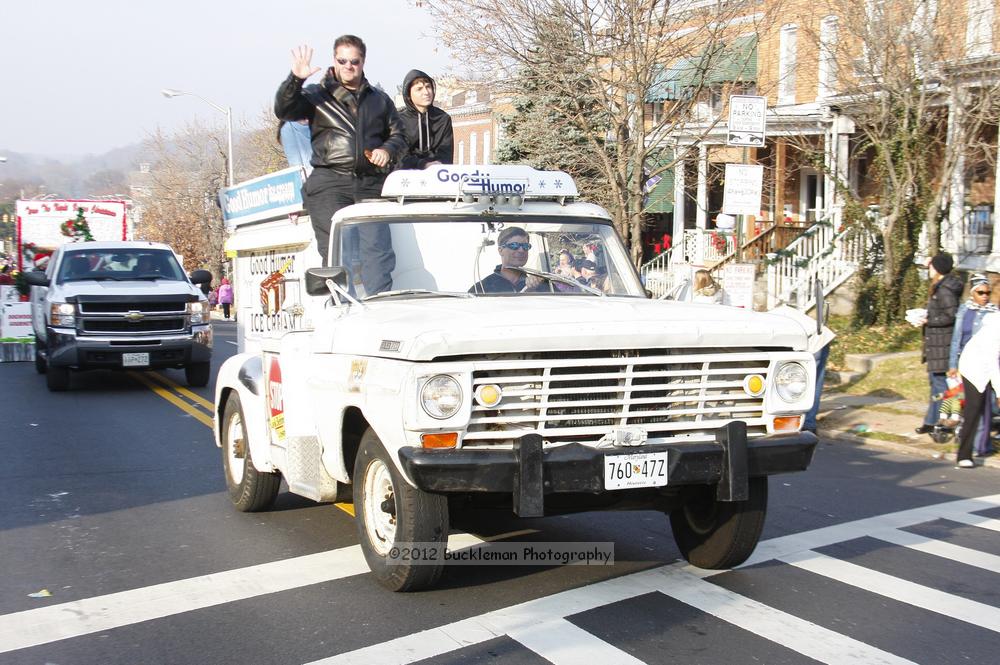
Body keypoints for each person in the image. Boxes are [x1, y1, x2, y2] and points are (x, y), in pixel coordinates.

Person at [275, 36, 407, 295]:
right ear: (334, 61)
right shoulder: (316, 95)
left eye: (354, 61)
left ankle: (379, 306)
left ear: (363, 62)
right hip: (330, 180)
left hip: (370, 182)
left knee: (378, 250)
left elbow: (399, 135)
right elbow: (284, 110)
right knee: (337, 249)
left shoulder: (379, 99)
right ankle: (342, 305)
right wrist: (295, 79)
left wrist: (387, 150)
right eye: (342, 60)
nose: (348, 66)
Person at [948, 273, 997, 453]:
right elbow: (956, 339)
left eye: (987, 293)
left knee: (985, 406)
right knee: (967, 405)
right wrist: (952, 364)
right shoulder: (964, 312)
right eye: (981, 292)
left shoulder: (994, 313)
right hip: (966, 364)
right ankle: (967, 442)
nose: (985, 296)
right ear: (973, 293)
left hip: (986, 364)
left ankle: (981, 445)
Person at [769, 304, 836, 434]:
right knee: (815, 384)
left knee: (796, 385)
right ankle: (809, 423)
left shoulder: (770, 322)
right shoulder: (783, 314)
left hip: (809, 342)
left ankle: (803, 422)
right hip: (822, 338)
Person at [916, 253, 964, 435]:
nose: (929, 270)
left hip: (941, 342)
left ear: (937, 269)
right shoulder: (942, 286)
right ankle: (931, 420)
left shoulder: (944, 290)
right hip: (937, 341)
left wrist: (929, 320)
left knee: (940, 385)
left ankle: (946, 419)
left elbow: (951, 315)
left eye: (931, 267)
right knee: (936, 382)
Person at [954, 312, 1000, 468]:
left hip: (987, 365)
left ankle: (981, 445)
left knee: (985, 411)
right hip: (974, 370)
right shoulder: (995, 328)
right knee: (973, 411)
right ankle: (963, 455)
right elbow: (992, 361)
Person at [397, 69, 454, 169]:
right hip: (406, 177)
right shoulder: (399, 121)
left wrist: (435, 165)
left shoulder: (443, 119)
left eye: (428, 87)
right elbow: (399, 157)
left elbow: (446, 154)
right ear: (409, 95)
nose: (426, 92)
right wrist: (423, 164)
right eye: (419, 89)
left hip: (436, 175)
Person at [469, 227, 542, 294]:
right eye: (514, 245)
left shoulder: (541, 285)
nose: (521, 250)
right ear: (500, 250)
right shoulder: (481, 288)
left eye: (525, 246)